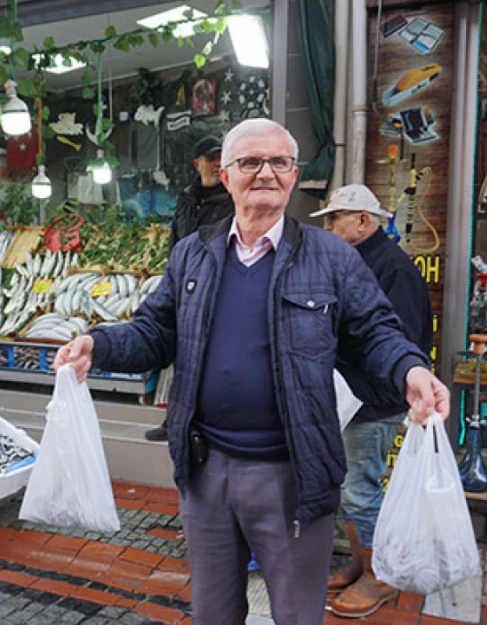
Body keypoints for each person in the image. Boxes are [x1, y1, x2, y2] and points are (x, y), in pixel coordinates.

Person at [54, 118, 450, 625]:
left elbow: (376, 331)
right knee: (214, 613)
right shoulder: (191, 255)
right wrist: (98, 344)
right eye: (250, 162)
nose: (265, 172)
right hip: (206, 473)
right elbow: (154, 331)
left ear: (292, 174)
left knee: (295, 614)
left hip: (294, 475)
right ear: (225, 175)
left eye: (278, 162)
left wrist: (410, 371)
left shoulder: (331, 257)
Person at [310, 185, 433, 618]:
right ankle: (361, 563)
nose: (326, 226)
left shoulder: (392, 268)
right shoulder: (355, 260)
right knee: (349, 487)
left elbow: (394, 339)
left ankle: (381, 577)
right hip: (350, 396)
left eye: (334, 218)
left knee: (360, 490)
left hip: (373, 401)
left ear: (363, 221)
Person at [145, 135, 234, 442]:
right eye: (211, 159)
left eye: (222, 158)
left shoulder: (233, 199)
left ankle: (208, 423)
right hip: (185, 290)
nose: (217, 164)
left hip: (218, 291)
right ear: (198, 164)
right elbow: (175, 242)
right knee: (182, 357)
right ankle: (175, 422)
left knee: (212, 359)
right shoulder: (186, 198)